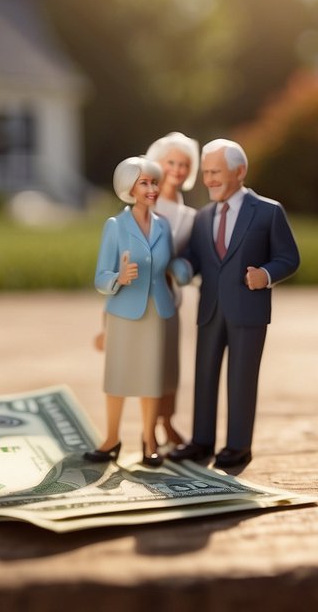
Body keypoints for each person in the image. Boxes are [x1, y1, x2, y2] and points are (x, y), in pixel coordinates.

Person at [167, 138, 300, 469]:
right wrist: (178, 268)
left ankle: (238, 446)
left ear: (239, 171)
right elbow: (195, 258)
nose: (209, 179)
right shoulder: (203, 216)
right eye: (206, 173)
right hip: (210, 309)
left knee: (241, 379)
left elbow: (289, 257)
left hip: (248, 311)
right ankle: (202, 441)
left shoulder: (268, 212)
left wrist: (266, 275)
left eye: (216, 172)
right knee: (204, 376)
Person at [86, 156, 189, 467]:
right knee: (118, 379)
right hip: (124, 311)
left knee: (151, 379)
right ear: (128, 187)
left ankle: (148, 440)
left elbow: (167, 263)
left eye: (154, 182)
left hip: (158, 310)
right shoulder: (115, 226)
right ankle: (111, 438)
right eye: (145, 182)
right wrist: (119, 277)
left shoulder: (163, 225)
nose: (152, 188)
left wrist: (182, 268)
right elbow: (100, 277)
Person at [145, 131, 200, 448]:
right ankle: (148, 427)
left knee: (170, 364)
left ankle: (167, 421)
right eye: (172, 162)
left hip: (171, 297)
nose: (178, 170)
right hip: (145, 295)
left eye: (184, 164)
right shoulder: (147, 202)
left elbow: (188, 254)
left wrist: (183, 269)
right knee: (149, 364)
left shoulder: (186, 212)